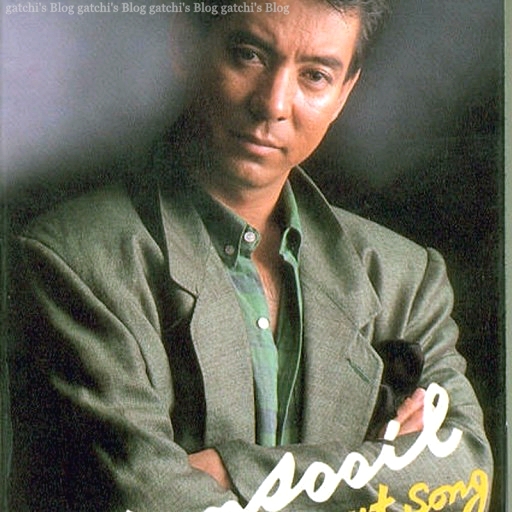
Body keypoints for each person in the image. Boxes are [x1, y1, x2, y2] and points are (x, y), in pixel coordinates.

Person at [9, 0, 493, 510]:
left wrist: (230, 472)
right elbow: (149, 499)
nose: (274, 104)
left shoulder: (405, 280)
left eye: (315, 76)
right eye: (250, 55)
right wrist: (373, 465)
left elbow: (467, 478)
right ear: (188, 47)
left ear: (345, 91)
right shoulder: (75, 261)